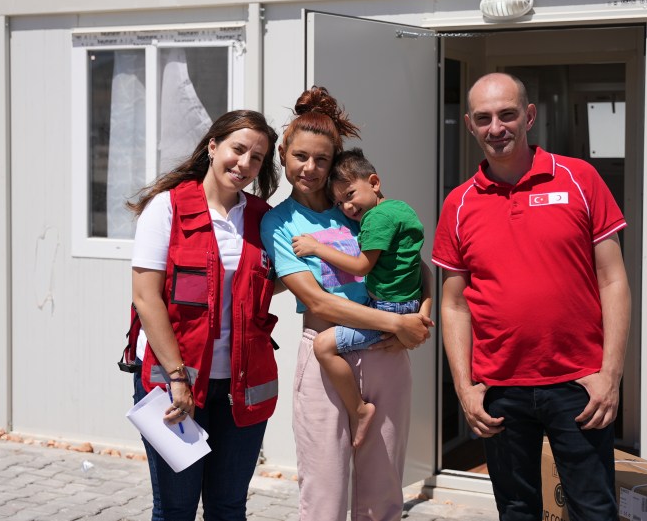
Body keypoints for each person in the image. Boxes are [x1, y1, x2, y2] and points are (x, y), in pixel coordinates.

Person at [433, 73, 631, 521]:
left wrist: (610, 375)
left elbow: (614, 280)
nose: (496, 127)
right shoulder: (459, 203)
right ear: (469, 124)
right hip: (500, 388)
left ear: (529, 116)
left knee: (594, 509)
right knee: (517, 510)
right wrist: (465, 388)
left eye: (506, 114)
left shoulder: (579, 179)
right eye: (483, 118)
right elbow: (453, 304)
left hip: (579, 383)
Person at [260, 87, 433, 521]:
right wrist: (396, 324)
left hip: (386, 354)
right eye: (301, 156)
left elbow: (417, 265)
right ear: (283, 153)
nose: (310, 168)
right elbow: (316, 298)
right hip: (326, 353)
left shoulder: (358, 209)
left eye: (321, 159)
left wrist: (423, 314)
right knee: (325, 494)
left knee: (384, 493)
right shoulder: (280, 222)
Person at [127, 110, 281, 521]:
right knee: (176, 508)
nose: (245, 163)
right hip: (174, 380)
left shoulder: (261, 217)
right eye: (238, 149)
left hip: (240, 382)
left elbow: (274, 280)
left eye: (257, 158)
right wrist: (178, 377)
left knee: (228, 509)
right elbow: (146, 298)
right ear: (213, 146)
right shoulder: (167, 208)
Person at [290, 148, 427, 449]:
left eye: (351, 194)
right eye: (340, 202)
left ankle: (359, 410)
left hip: (386, 308)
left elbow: (361, 266)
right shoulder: (402, 209)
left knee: (323, 346)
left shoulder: (375, 219)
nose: (348, 207)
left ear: (374, 182)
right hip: (406, 306)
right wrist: (422, 313)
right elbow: (421, 267)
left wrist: (316, 248)